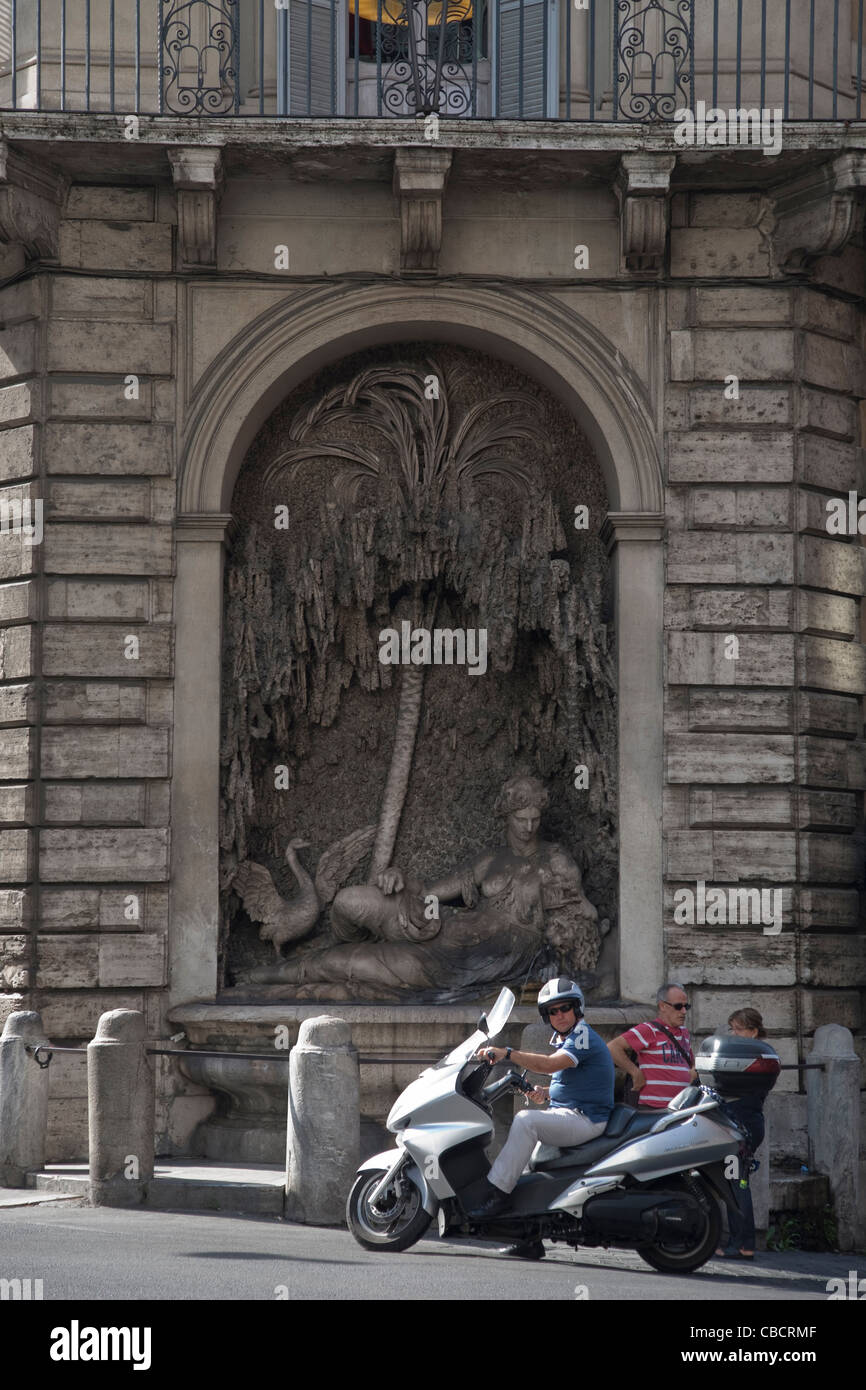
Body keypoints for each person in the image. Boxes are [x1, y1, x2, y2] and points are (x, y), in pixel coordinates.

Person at [466, 976, 614, 1260]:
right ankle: (527, 1239)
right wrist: (545, 1094)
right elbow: (571, 1081)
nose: (559, 1015)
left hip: (586, 1119)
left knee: (525, 1121)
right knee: (527, 1169)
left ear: (577, 1009)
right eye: (553, 1011)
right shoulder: (569, 1037)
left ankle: (493, 1195)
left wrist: (507, 1052)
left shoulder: (582, 1036)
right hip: (572, 1112)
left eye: (565, 1009)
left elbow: (549, 1065)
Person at [716, 1008, 775, 1261]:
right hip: (744, 1124)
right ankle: (742, 1243)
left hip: (743, 1126)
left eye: (739, 1029)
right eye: (732, 1028)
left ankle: (740, 1244)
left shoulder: (756, 1056)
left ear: (753, 1031)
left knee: (737, 1185)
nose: (734, 1033)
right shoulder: (754, 1055)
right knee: (737, 1183)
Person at [607, 983, 697, 1108]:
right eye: (678, 1006)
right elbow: (612, 1047)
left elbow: (691, 1063)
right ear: (663, 1006)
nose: (683, 1011)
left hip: (681, 1108)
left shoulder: (685, 1033)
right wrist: (635, 1072)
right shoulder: (649, 1029)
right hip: (653, 1108)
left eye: (686, 1006)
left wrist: (694, 1069)